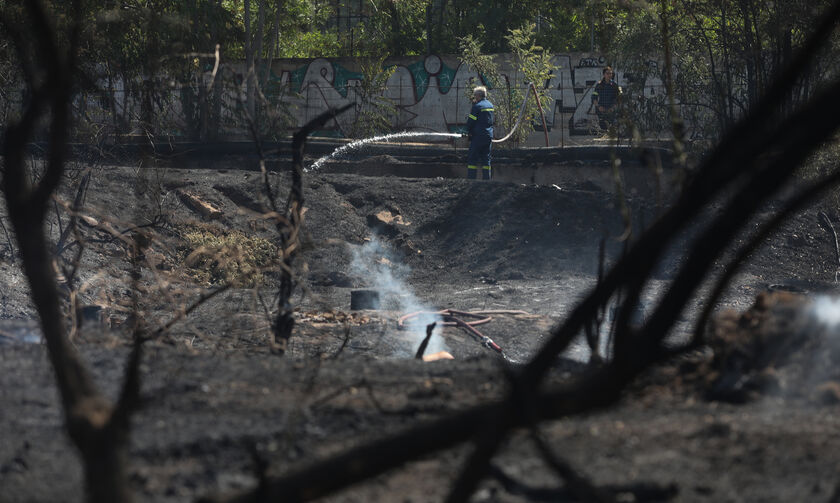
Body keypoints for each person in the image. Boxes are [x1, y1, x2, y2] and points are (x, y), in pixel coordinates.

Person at [465, 86, 494, 180]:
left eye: (475, 95)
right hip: (488, 135)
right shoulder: (490, 105)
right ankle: (487, 180)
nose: (474, 97)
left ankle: (471, 180)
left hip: (478, 136)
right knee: (486, 158)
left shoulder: (477, 107)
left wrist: (468, 131)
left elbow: (471, 122)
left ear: (478, 95)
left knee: (473, 158)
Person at [591, 66, 621, 132]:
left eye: (611, 73)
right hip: (602, 110)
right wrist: (598, 107)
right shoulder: (599, 85)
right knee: (603, 128)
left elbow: (619, 98)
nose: (609, 75)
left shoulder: (614, 85)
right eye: (607, 73)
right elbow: (594, 97)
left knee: (612, 128)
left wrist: (613, 107)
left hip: (611, 110)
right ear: (604, 74)